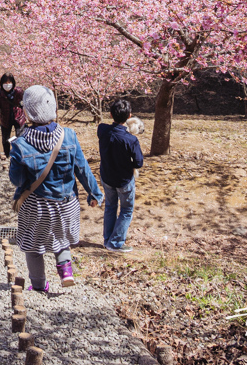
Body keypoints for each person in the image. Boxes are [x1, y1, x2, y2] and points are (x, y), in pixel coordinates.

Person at [9, 84, 100, 292]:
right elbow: (82, 168)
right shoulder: (68, 135)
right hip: (66, 203)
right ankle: (66, 272)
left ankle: (40, 285)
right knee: (61, 240)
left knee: (33, 247)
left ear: (28, 112)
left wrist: (15, 159)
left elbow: (17, 180)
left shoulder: (21, 143)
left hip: (36, 206)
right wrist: (94, 193)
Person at [97, 98, 146, 253]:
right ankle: (116, 242)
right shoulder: (131, 140)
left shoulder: (102, 130)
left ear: (111, 114)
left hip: (107, 177)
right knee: (126, 210)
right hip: (124, 180)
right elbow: (138, 163)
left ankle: (107, 239)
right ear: (129, 115)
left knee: (110, 207)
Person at [0, 73, 25, 157]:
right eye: (5, 83)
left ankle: (20, 156)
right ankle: (7, 155)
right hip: (5, 118)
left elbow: (25, 103)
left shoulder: (19, 91)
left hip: (19, 117)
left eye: (9, 82)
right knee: (5, 140)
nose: (7, 85)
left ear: (13, 83)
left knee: (20, 137)